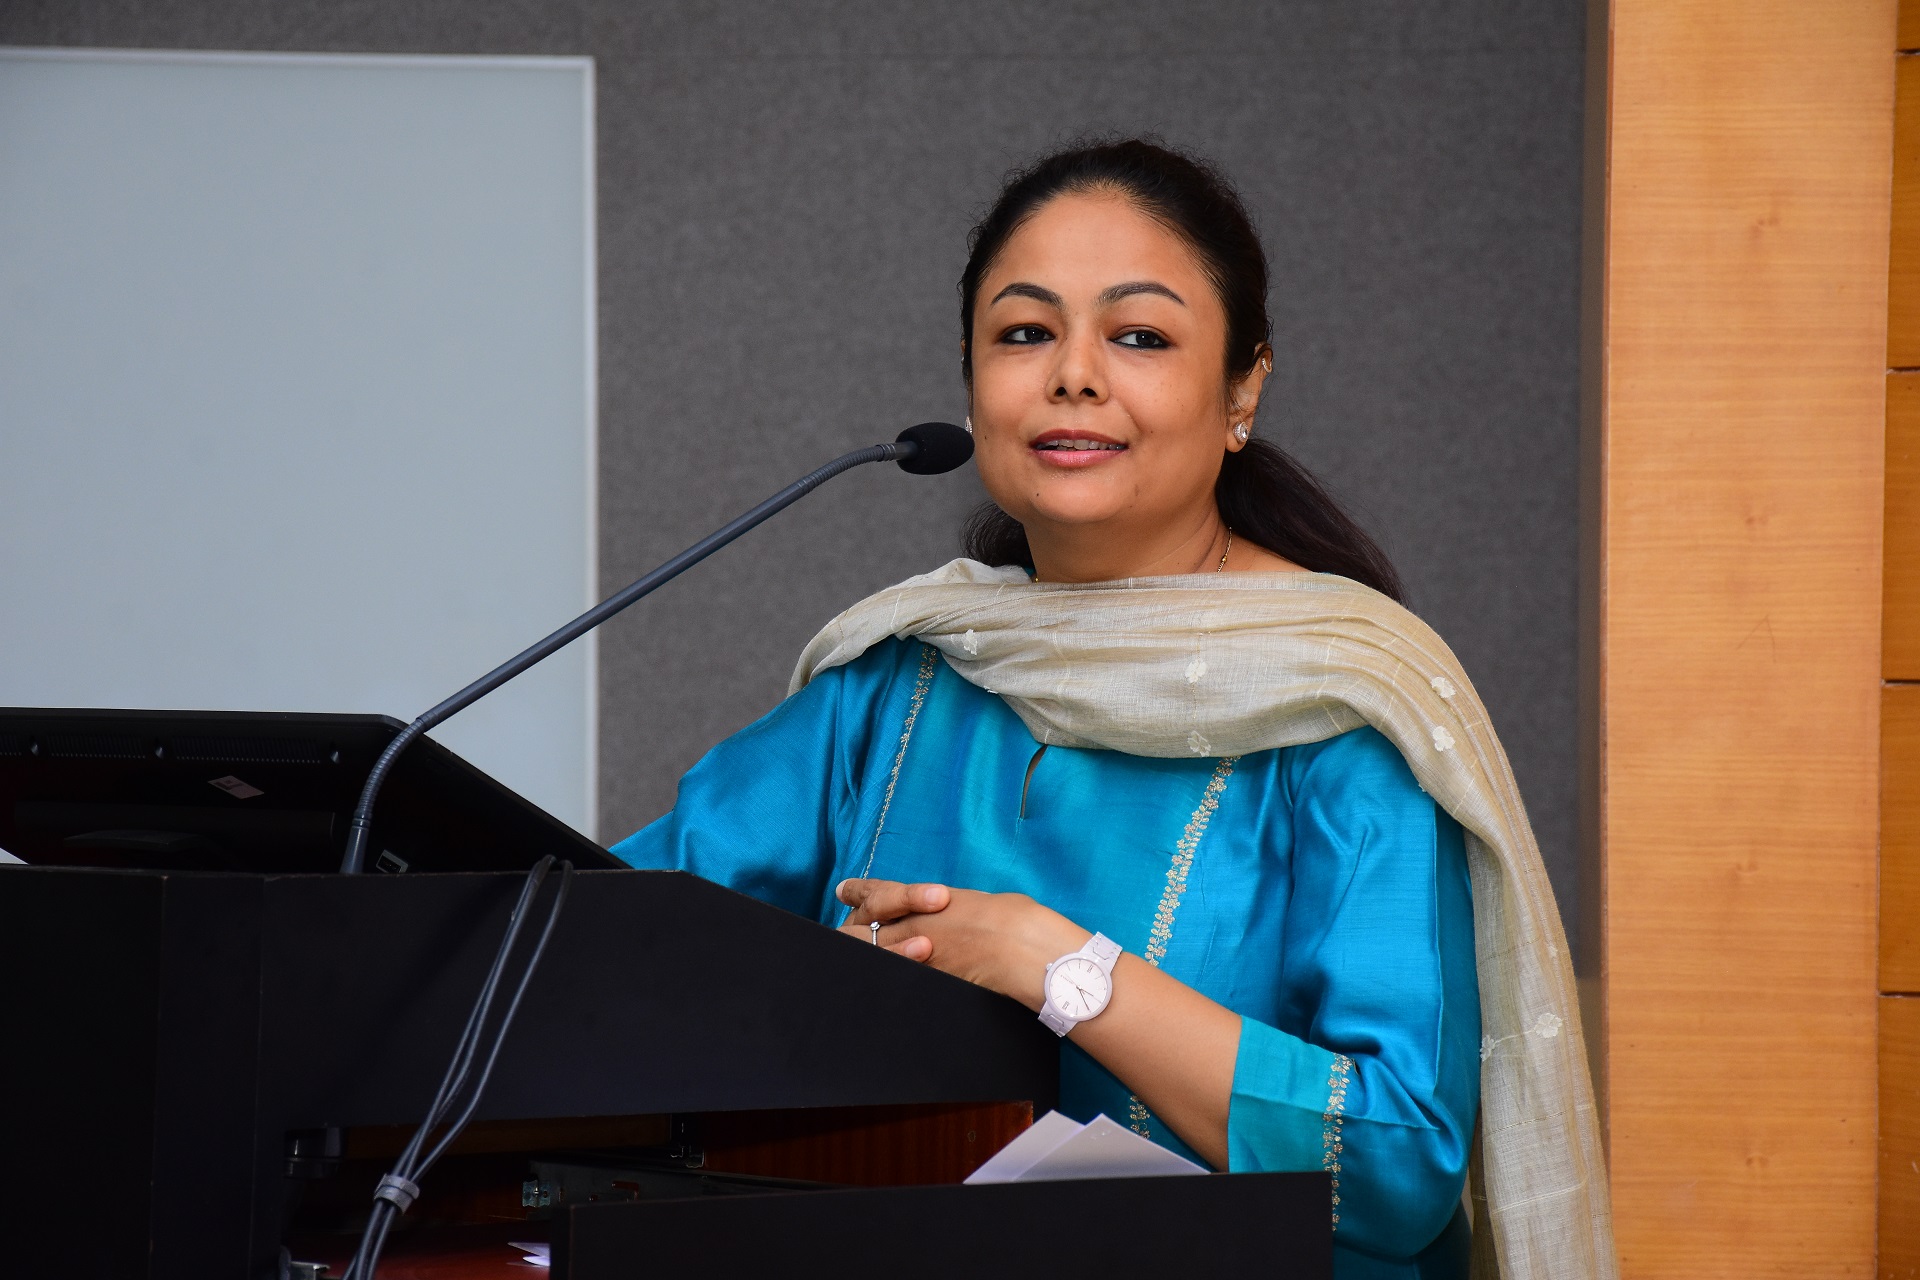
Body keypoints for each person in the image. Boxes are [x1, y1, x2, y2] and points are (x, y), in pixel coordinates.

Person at [614, 139, 1615, 1280]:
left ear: (1242, 389)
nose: (1074, 376)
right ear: (971, 376)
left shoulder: (1340, 706)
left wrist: (1054, 966)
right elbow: (613, 945)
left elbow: (1398, 1162)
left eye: (1139, 336)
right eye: (1024, 333)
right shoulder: (895, 684)